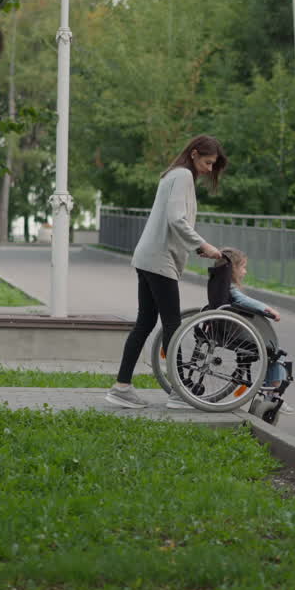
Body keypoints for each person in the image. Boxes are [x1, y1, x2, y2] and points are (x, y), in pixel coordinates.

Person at [107, 135, 225, 410]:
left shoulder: (173, 175)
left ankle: (121, 387)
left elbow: (173, 221)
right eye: (207, 162)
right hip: (159, 260)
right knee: (172, 324)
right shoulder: (183, 176)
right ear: (194, 154)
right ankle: (180, 391)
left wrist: (196, 248)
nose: (209, 169)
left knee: (146, 323)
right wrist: (203, 244)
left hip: (149, 257)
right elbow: (176, 219)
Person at [220, 247, 288, 392]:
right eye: (243, 267)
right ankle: (274, 391)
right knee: (275, 352)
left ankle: (272, 389)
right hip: (238, 333)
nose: (245, 271)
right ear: (233, 269)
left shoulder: (218, 284)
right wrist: (267, 309)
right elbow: (244, 301)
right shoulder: (231, 289)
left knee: (274, 351)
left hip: (227, 329)